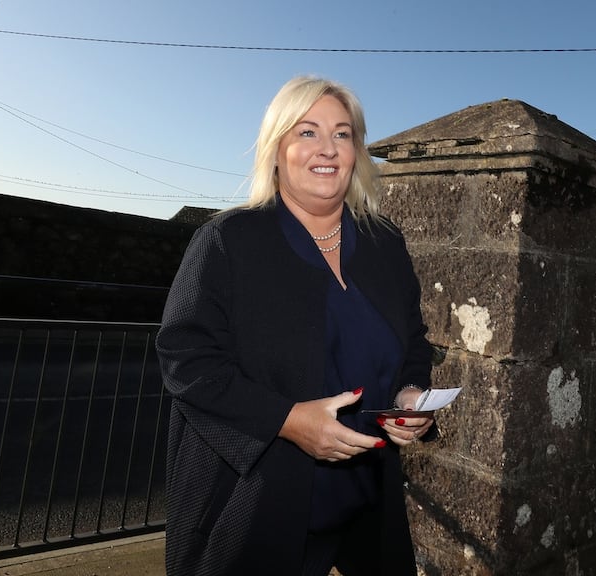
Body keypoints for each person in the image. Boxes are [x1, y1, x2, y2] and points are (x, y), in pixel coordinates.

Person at [156, 75, 436, 576]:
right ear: (277, 148)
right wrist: (287, 420)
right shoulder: (227, 241)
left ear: (357, 152)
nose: (327, 148)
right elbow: (186, 360)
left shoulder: (385, 243)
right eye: (307, 132)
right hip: (255, 505)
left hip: (366, 502)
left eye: (342, 134)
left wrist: (410, 395)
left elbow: (413, 340)